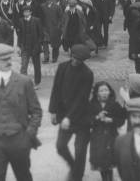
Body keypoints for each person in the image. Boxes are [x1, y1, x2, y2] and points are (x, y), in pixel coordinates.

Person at [0, 43, 42, 181]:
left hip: (19, 141)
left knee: (24, 177)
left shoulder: (24, 82)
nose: (8, 62)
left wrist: (29, 134)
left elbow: (36, 111)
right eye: (3, 60)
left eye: (9, 59)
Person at [49, 44, 94, 181]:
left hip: (82, 118)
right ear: (70, 55)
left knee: (80, 151)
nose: (75, 62)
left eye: (79, 60)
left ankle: (77, 177)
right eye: (73, 58)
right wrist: (53, 111)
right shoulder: (62, 67)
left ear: (83, 61)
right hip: (64, 116)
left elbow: (82, 99)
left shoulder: (87, 74)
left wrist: (69, 117)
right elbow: (56, 89)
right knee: (60, 146)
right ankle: (74, 168)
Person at [88, 81, 126, 181]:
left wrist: (112, 120)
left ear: (110, 92)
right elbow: (87, 120)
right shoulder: (91, 105)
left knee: (110, 162)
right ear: (96, 93)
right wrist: (97, 117)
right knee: (101, 162)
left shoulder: (114, 104)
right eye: (101, 91)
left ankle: (110, 179)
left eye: (106, 90)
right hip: (98, 138)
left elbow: (121, 120)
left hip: (111, 136)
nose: (104, 93)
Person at [17, 5, 43, 88]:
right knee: (24, 66)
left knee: (37, 66)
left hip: (35, 47)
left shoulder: (36, 20)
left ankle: (37, 83)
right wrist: (19, 46)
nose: (25, 13)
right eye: (24, 11)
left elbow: (41, 35)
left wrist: (38, 45)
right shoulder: (20, 21)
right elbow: (19, 35)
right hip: (25, 47)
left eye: (27, 11)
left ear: (30, 12)